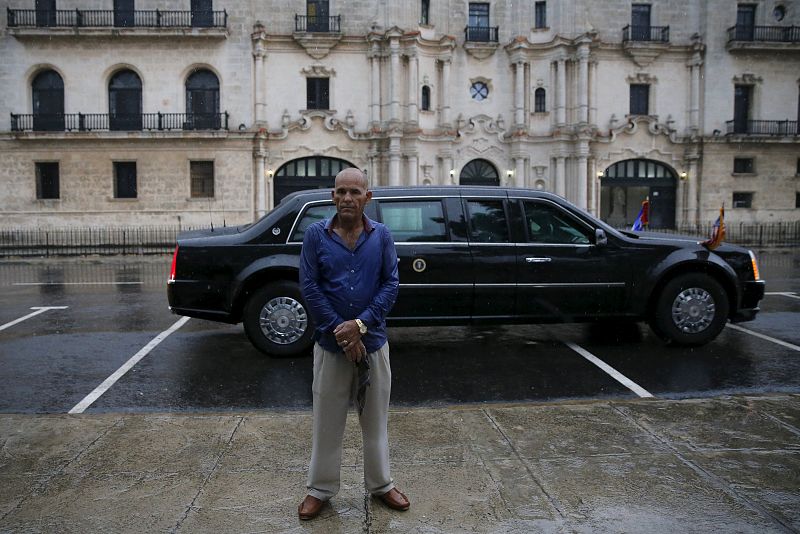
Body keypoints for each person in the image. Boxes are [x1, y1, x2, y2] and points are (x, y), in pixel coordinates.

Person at [297, 167, 409, 520]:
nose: (347, 198)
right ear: (333, 197)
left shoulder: (382, 237)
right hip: (330, 347)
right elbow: (310, 287)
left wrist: (360, 326)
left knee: (375, 421)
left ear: (367, 197)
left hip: (373, 343)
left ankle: (381, 484)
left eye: (354, 192)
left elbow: (390, 285)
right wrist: (341, 332)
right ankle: (320, 489)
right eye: (341, 192)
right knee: (327, 421)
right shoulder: (316, 236)